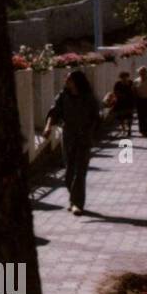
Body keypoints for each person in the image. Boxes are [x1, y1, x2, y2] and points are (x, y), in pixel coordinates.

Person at [43, 69, 101, 215]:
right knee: (69, 173)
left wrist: (90, 131)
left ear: (76, 81)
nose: (66, 81)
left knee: (80, 172)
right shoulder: (64, 96)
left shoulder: (88, 97)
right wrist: (48, 127)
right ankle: (73, 199)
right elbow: (54, 112)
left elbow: (96, 116)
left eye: (68, 79)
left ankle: (77, 204)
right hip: (68, 136)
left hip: (84, 137)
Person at [111, 70, 136, 138]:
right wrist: (120, 95)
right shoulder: (118, 84)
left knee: (129, 116)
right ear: (121, 77)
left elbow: (134, 91)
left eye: (126, 77)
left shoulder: (131, 83)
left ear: (128, 77)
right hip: (121, 102)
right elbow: (115, 92)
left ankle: (129, 129)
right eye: (123, 77)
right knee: (121, 116)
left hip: (129, 102)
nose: (124, 78)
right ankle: (123, 129)